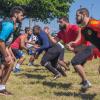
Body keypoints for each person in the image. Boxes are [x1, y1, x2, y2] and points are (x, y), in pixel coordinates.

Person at [68, 8, 100, 89]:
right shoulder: (83, 30)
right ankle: (86, 83)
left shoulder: (93, 22)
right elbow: (83, 46)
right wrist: (72, 47)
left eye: (77, 15)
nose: (75, 18)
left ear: (84, 14)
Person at [0, 6, 24, 95]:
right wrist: (6, 56)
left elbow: (7, 43)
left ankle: (1, 88)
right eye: (21, 15)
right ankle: (1, 88)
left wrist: (11, 55)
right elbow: (1, 41)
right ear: (15, 14)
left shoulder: (11, 24)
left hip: (3, 47)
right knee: (8, 64)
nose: (22, 17)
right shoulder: (9, 25)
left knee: (7, 64)